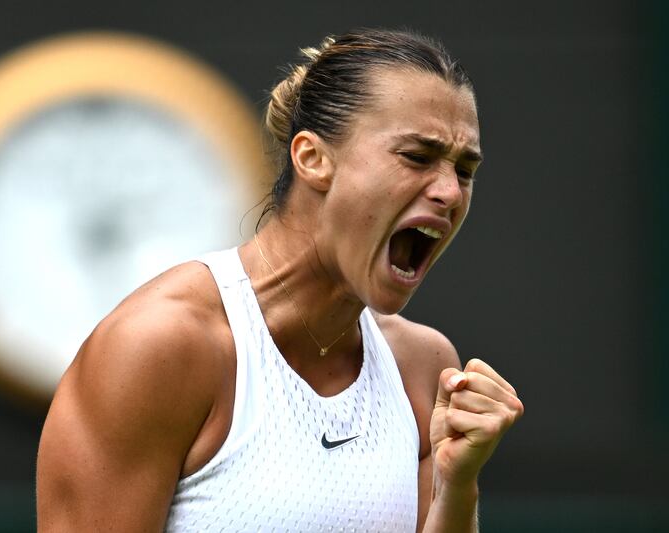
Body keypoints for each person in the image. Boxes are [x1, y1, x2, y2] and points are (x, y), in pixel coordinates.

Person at [36, 28, 524, 532]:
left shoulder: (425, 369)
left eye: (465, 170)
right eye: (417, 157)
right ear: (312, 158)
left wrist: (456, 484)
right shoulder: (159, 346)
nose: (449, 192)